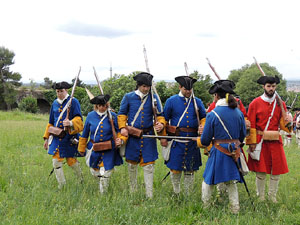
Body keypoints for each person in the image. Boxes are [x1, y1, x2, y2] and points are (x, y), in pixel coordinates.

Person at [200, 80, 246, 214]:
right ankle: (235, 208)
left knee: (208, 181)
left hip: (219, 151)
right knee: (231, 182)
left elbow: (205, 140)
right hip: (234, 150)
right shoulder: (239, 113)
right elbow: (242, 136)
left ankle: (206, 207)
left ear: (216, 96)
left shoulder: (212, 114)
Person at [117, 72, 166, 198]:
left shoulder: (154, 98)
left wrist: (160, 124)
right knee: (131, 165)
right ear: (138, 85)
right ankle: (133, 191)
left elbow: (160, 115)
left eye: (148, 86)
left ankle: (149, 194)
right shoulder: (128, 97)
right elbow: (122, 114)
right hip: (133, 136)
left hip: (148, 136)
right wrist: (122, 127)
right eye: (143, 86)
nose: (146, 89)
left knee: (149, 165)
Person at [246, 75, 291, 203]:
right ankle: (260, 196)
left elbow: (284, 125)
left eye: (273, 86)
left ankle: (272, 197)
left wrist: (288, 122)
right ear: (263, 87)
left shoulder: (280, 103)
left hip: (276, 141)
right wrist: (252, 143)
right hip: (260, 141)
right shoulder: (255, 103)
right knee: (261, 171)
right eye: (269, 86)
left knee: (276, 172)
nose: (271, 89)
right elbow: (251, 124)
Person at [161, 76, 206, 195]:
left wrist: (202, 125)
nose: (188, 91)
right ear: (180, 87)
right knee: (175, 169)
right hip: (176, 140)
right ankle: (176, 192)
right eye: (186, 89)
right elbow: (164, 119)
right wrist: (163, 137)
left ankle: (188, 194)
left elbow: (203, 118)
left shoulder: (198, 101)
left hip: (192, 140)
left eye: (190, 89)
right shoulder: (171, 101)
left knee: (190, 170)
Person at [78, 94, 124, 193]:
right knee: (94, 171)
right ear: (96, 106)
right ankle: (101, 184)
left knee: (106, 172)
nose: (102, 107)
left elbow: (119, 131)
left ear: (107, 105)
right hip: (94, 148)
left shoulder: (113, 116)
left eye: (104, 105)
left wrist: (119, 139)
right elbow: (85, 133)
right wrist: (81, 148)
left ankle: (103, 194)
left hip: (108, 148)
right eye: (100, 105)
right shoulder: (90, 116)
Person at [43, 81, 84, 189]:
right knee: (56, 162)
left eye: (61, 91)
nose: (59, 93)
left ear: (66, 90)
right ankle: (62, 185)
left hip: (69, 137)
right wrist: (46, 138)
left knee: (71, 161)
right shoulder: (54, 103)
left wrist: (70, 123)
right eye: (57, 91)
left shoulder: (74, 102)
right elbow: (51, 121)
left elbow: (79, 118)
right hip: (56, 137)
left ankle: (81, 180)